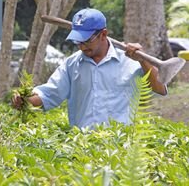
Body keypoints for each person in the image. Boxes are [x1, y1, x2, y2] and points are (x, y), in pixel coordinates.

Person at [13, 8, 167, 129]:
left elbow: (160, 88)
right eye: (77, 41)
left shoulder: (130, 62)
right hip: (84, 147)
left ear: (103, 34)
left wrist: (143, 61)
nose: (81, 46)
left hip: (121, 146)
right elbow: (48, 95)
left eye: (86, 41)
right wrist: (24, 100)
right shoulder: (71, 65)